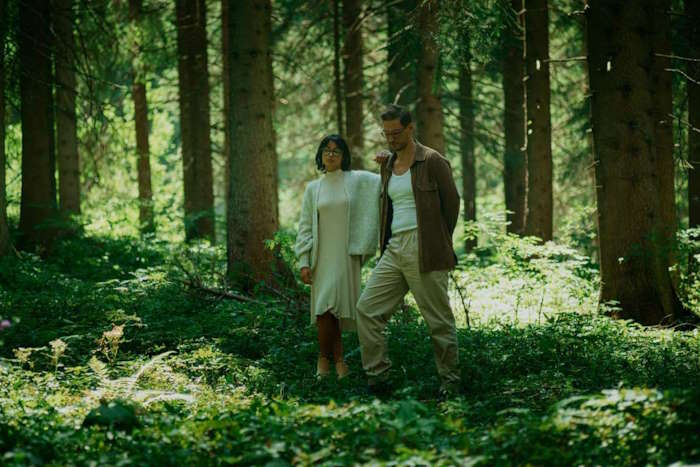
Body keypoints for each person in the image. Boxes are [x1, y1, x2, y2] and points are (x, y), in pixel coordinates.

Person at [356, 104, 461, 396]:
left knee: (438, 321)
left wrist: (439, 241)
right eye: (386, 134)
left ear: (410, 128)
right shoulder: (388, 165)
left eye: (396, 133)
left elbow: (452, 204)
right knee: (367, 310)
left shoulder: (432, 161)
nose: (390, 139)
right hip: (394, 248)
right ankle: (379, 380)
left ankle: (450, 385)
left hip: (425, 245)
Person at [295, 135, 381, 378]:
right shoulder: (314, 188)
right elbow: (305, 227)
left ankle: (333, 361)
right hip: (321, 256)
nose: (331, 155)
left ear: (344, 156)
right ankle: (330, 361)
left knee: (335, 308)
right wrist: (303, 260)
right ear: (321, 155)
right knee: (324, 309)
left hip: (346, 253)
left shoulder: (356, 180)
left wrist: (388, 159)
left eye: (336, 151)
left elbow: (383, 181)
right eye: (326, 150)